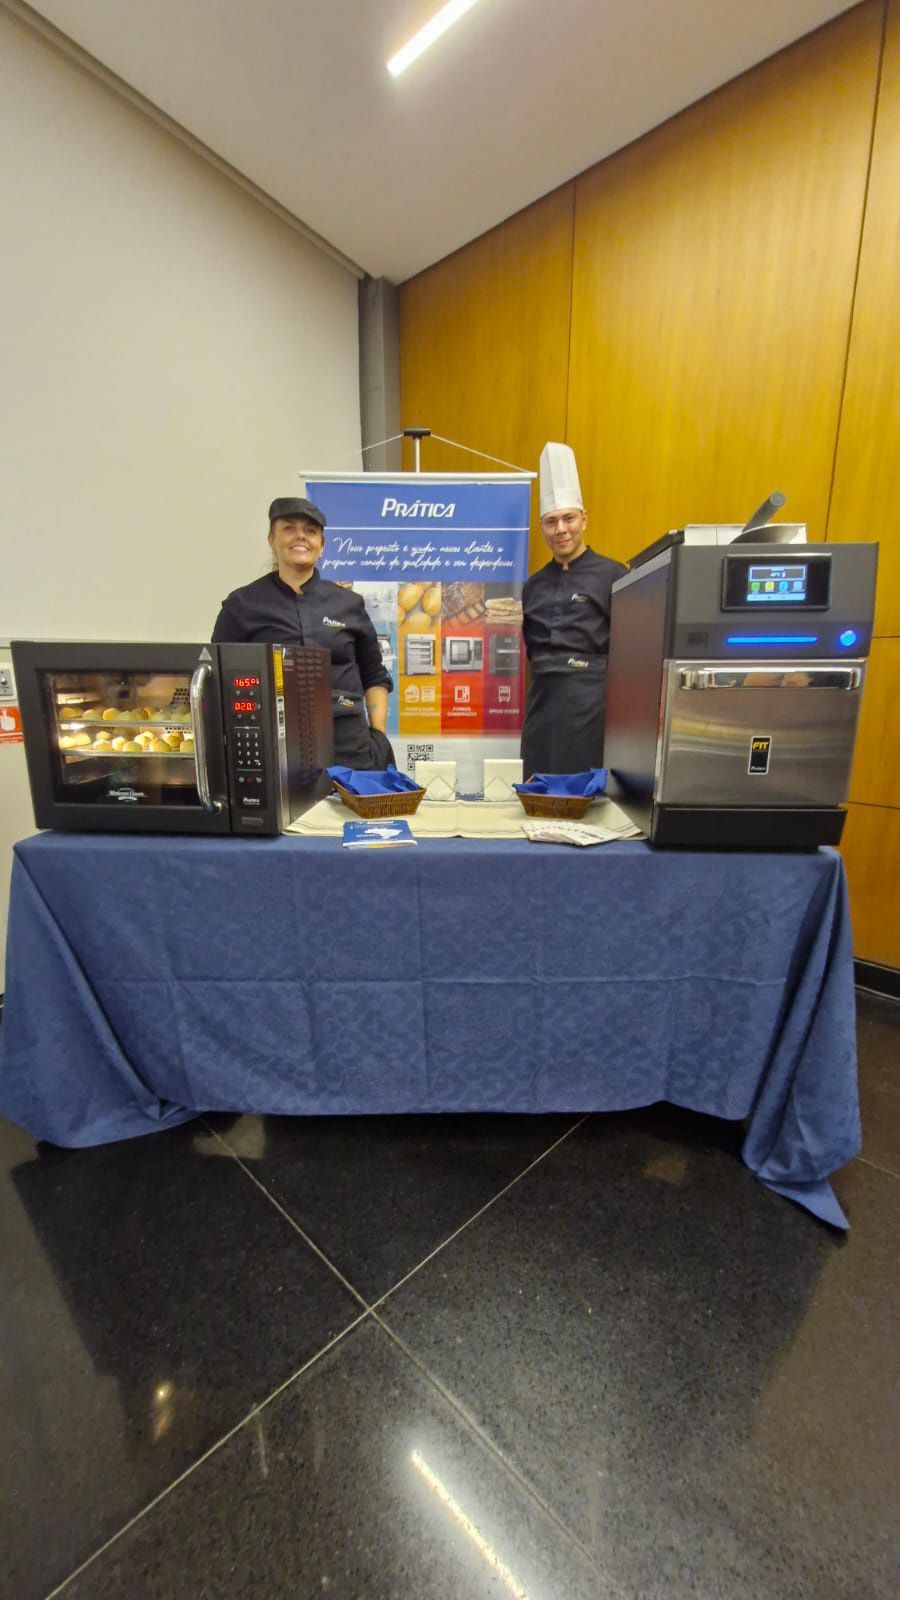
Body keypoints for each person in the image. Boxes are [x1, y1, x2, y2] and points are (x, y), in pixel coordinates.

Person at [212, 496, 394, 770]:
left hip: (351, 750)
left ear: (321, 546)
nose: (301, 537)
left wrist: (378, 737)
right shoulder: (242, 606)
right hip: (276, 753)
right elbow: (220, 678)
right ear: (271, 540)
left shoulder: (349, 604)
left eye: (310, 531)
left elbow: (374, 675)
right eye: (289, 528)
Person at [520, 443, 627, 776]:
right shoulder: (533, 585)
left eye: (568, 518)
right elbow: (531, 655)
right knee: (538, 789)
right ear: (542, 527)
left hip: (592, 708)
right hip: (542, 707)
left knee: (588, 796)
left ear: (584, 519)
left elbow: (628, 653)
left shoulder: (616, 576)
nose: (561, 529)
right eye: (551, 522)